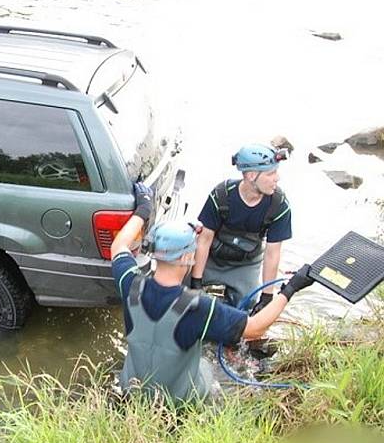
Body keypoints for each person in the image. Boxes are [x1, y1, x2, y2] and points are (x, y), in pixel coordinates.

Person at [111, 184, 313, 403]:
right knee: (207, 370)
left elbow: (119, 245)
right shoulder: (198, 307)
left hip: (131, 391)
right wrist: (291, 288)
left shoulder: (130, 283)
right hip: (175, 404)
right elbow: (256, 328)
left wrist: (143, 207)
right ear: (186, 258)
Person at [189, 142, 293, 312]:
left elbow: (272, 253)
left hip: (246, 263)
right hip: (212, 258)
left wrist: (267, 297)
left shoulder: (279, 206)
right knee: (182, 296)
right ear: (251, 175)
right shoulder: (221, 195)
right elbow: (204, 240)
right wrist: (195, 283)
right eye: (271, 173)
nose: (277, 178)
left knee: (247, 306)